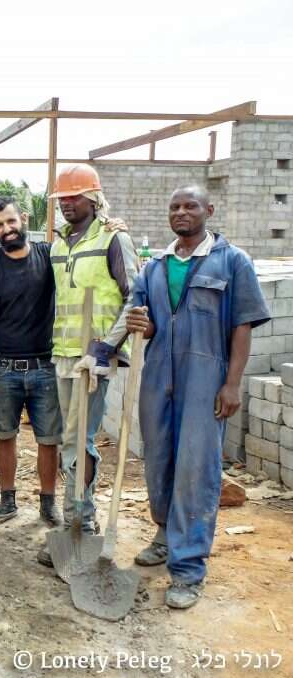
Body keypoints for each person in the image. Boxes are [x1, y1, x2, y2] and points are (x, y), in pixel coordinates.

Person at [126, 185, 269, 609]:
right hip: (158, 380)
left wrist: (232, 382)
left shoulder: (232, 261)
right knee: (158, 462)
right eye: (174, 207)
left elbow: (242, 324)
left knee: (195, 468)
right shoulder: (155, 266)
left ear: (209, 209)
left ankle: (188, 569)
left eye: (190, 205)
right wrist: (139, 322)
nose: (181, 212)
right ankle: (165, 534)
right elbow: (147, 324)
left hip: (205, 381)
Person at [41, 165, 139, 566]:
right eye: (61, 198)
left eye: (74, 197)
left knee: (77, 439)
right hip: (63, 353)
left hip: (94, 358)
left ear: (94, 199)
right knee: (70, 436)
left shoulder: (114, 238)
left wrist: (108, 346)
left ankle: (80, 523)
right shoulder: (58, 244)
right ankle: (76, 522)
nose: (66, 204)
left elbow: (136, 295)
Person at [0, 196, 62, 528]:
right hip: (4, 367)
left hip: (46, 365)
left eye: (10, 222)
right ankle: (7, 501)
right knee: (5, 435)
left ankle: (48, 504)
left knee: (48, 439)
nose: (6, 229)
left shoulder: (49, 255)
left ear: (23, 219)